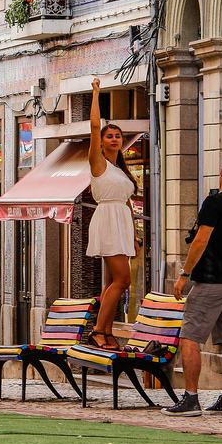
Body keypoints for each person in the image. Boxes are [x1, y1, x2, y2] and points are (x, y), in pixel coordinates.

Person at [164, 154, 222, 417]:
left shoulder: (214, 202)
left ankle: (191, 399)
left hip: (210, 281)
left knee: (190, 337)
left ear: (221, 172)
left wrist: (184, 274)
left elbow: (200, 241)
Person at [85, 77, 139, 350]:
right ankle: (98, 330)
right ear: (103, 142)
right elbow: (95, 126)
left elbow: (128, 203)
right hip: (107, 221)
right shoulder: (98, 162)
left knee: (111, 282)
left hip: (121, 224)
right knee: (123, 279)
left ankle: (105, 331)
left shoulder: (120, 170)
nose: (114, 138)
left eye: (118, 135)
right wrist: (96, 94)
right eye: (110, 135)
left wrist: (135, 238)